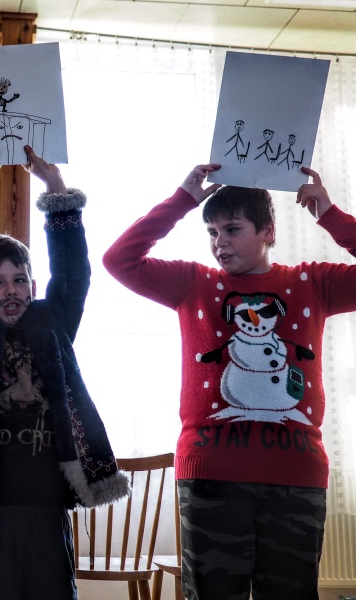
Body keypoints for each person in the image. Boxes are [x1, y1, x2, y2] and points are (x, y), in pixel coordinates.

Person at [102, 163, 356, 599]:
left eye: (232, 230)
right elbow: (118, 260)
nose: (219, 242)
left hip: (296, 477)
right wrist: (181, 201)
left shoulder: (312, 282)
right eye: (212, 232)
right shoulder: (193, 283)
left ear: (267, 231)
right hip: (210, 477)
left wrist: (330, 215)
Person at [0, 147, 130, 600]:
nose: (10, 291)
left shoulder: (53, 324)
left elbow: (73, 275)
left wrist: (56, 190)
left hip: (46, 507)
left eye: (19, 280)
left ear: (33, 287)